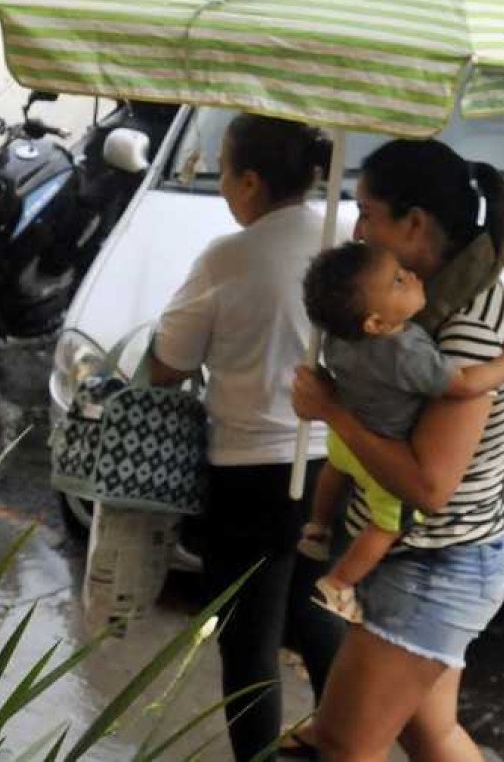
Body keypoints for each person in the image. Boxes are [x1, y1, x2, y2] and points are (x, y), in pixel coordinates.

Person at [285, 140, 504, 762]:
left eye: (368, 212)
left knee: (341, 746)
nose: (357, 228)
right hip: (430, 560)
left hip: (436, 569)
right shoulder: (434, 299)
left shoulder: (464, 330)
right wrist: (494, 451)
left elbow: (429, 487)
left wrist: (333, 412)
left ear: (415, 224)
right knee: (430, 734)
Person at [147, 112, 348, 762]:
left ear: (252, 180)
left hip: (248, 472)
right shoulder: (342, 243)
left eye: (224, 173)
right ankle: (350, 741)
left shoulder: (227, 257)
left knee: (250, 637)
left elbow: (168, 360)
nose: (222, 186)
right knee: (313, 609)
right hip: (331, 465)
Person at [297, 241, 504, 625]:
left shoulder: (337, 336)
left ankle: (317, 529)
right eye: (399, 281)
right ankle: (338, 583)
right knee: (389, 524)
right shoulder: (406, 352)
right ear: (375, 323)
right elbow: (465, 384)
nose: (413, 277)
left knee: (334, 472)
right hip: (383, 454)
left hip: (345, 438)